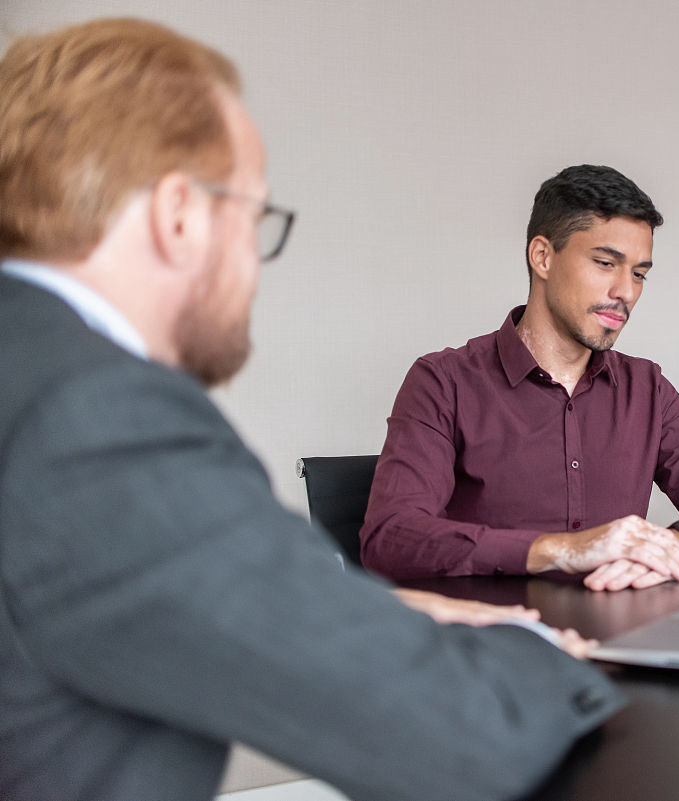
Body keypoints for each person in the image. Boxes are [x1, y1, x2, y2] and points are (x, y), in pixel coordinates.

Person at [0, 18, 624, 801]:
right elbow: (457, 739)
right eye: (254, 219)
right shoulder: (95, 418)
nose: (254, 269)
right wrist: (538, 648)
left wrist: (384, 616)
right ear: (180, 216)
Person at [360, 165, 679, 592]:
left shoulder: (647, 388)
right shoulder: (443, 382)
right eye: (605, 263)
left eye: (639, 274)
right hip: (494, 644)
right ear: (543, 257)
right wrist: (564, 550)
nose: (625, 291)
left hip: (621, 641)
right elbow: (391, 538)